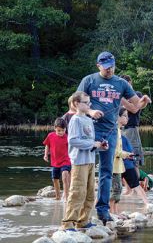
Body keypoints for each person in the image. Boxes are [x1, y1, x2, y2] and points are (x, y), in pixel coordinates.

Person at [77, 51, 151, 223]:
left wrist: (144, 101)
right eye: (105, 68)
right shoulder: (89, 80)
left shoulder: (121, 83)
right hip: (89, 130)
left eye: (111, 67)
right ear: (98, 66)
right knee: (84, 168)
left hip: (110, 132)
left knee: (106, 171)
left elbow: (134, 108)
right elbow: (76, 102)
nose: (109, 70)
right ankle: (80, 208)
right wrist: (90, 111)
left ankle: (103, 210)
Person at [61, 91, 105, 230]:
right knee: (77, 192)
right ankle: (67, 223)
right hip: (79, 162)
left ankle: (83, 220)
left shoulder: (88, 120)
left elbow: (89, 141)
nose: (88, 105)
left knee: (90, 192)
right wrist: (93, 144)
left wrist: (100, 146)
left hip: (91, 160)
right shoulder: (75, 119)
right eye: (85, 102)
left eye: (89, 102)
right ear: (76, 104)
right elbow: (73, 141)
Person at [111, 108, 148, 214]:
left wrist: (128, 155)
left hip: (123, 164)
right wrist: (127, 155)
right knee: (116, 189)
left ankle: (113, 212)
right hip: (120, 165)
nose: (128, 118)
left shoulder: (120, 133)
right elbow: (116, 151)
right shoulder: (116, 132)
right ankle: (111, 211)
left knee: (116, 189)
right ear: (118, 117)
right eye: (125, 116)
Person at [43, 117, 71, 201]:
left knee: (65, 176)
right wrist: (45, 155)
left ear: (65, 129)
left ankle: (66, 196)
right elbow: (47, 145)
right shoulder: (50, 136)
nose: (61, 132)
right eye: (59, 130)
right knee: (55, 179)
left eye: (63, 130)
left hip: (66, 161)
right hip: (55, 162)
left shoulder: (68, 137)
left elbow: (72, 148)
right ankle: (58, 196)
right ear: (55, 128)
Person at [120, 75, 145, 167]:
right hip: (119, 129)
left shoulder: (136, 94)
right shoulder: (119, 95)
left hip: (131, 128)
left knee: (134, 155)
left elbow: (134, 109)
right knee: (121, 154)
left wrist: (121, 100)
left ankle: (136, 178)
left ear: (130, 83)